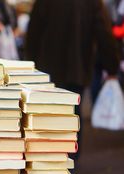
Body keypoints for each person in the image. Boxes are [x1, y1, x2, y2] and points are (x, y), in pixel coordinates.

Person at [25, 0, 120, 163]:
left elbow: (33, 31)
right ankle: (69, 158)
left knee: (46, 112)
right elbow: (103, 33)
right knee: (73, 110)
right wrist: (112, 66)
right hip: (78, 67)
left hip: (47, 68)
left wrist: (30, 64)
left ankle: (45, 158)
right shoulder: (93, 3)